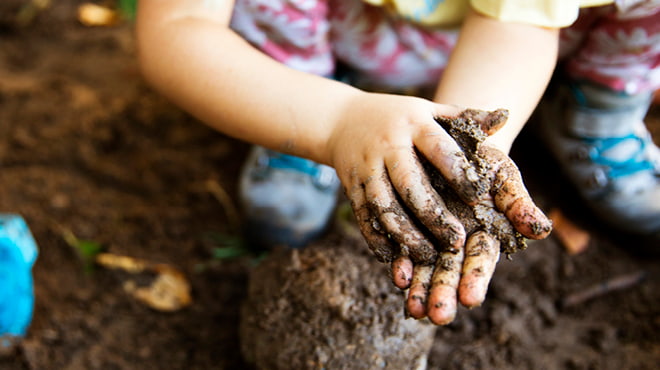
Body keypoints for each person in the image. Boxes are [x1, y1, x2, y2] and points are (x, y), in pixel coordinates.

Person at [134, 0, 658, 325]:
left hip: (541, 32)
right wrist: (336, 121)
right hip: (357, 22)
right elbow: (177, 26)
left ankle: (596, 113)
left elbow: (521, 22)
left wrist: (459, 150)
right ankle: (294, 113)